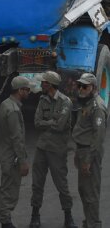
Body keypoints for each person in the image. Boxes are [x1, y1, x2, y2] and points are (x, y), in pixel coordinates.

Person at [29, 71, 76, 228]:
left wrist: (46, 122)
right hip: (42, 147)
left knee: (61, 184)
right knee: (37, 183)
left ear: (49, 85)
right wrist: (51, 122)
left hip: (57, 149)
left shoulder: (66, 102)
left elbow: (60, 125)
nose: (41, 84)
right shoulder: (42, 100)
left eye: (43, 82)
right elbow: (36, 123)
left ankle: (68, 217)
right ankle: (35, 216)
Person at [72, 72, 107, 228]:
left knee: (91, 193)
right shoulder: (86, 102)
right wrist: (77, 153)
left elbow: (98, 138)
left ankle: (94, 224)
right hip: (82, 150)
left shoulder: (97, 107)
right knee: (83, 190)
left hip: (90, 152)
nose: (81, 89)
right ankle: (88, 222)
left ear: (93, 88)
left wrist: (87, 160)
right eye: (80, 85)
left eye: (85, 86)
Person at [0, 76, 31, 228]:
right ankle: (6, 221)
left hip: (5, 153)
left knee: (7, 186)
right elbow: (17, 138)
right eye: (27, 90)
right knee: (9, 188)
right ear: (20, 90)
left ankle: (5, 220)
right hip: (11, 157)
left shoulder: (6, 104)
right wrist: (23, 161)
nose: (29, 93)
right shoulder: (13, 110)